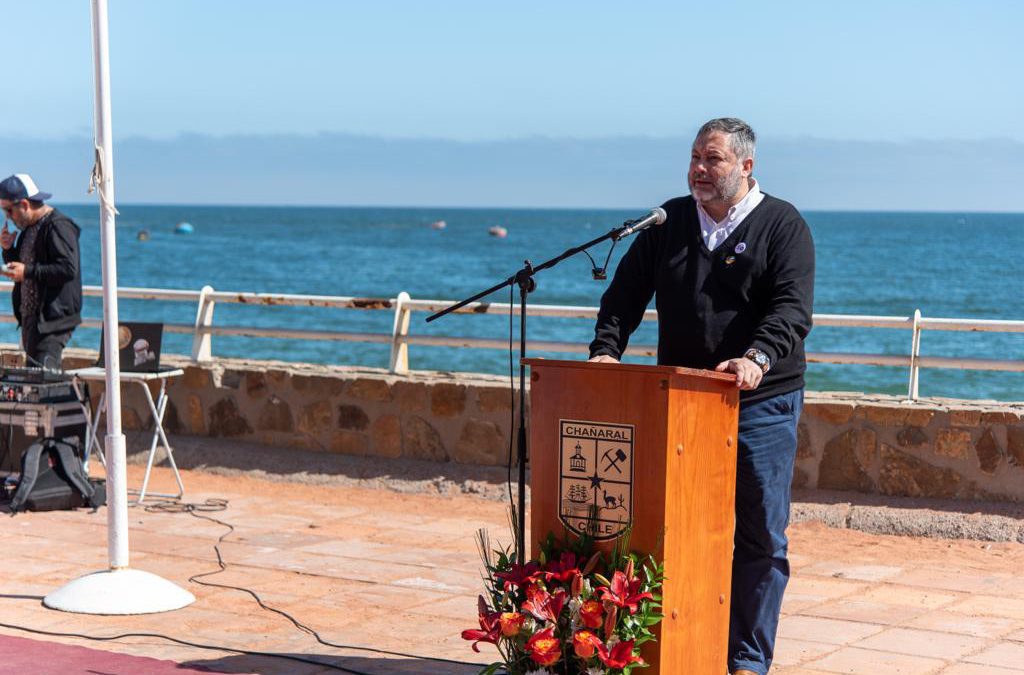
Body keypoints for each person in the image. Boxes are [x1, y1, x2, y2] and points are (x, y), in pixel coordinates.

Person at [589, 118, 814, 675]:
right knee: (678, 526)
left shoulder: (783, 226)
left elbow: (791, 311)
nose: (697, 170)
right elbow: (624, 295)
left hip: (759, 402)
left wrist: (755, 359)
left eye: (711, 159)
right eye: (694, 157)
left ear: (745, 166)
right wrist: (605, 351)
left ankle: (746, 660)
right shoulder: (668, 221)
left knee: (760, 536)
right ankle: (679, 646)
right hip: (681, 402)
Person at [0, 174, 83, 370]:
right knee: (38, 379)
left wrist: (27, 272)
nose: (7, 217)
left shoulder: (57, 225)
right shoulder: (29, 229)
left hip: (53, 321)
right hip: (34, 320)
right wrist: (8, 249)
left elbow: (67, 269)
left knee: (43, 379)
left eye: (9, 210)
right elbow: (22, 268)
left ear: (25, 204)